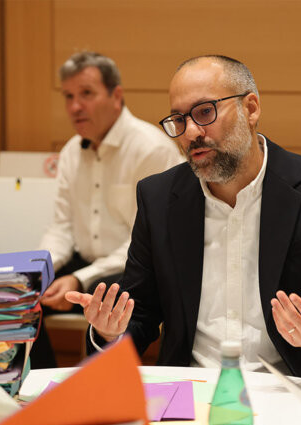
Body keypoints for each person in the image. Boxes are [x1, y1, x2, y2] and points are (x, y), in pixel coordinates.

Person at [67, 55, 301, 394]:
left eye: (205, 112)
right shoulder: (159, 198)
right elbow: (141, 314)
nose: (191, 132)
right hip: (192, 396)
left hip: (297, 393)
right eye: (178, 119)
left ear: (251, 109)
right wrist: (109, 332)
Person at [33, 51, 184, 368]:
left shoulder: (151, 149)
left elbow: (145, 244)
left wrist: (79, 279)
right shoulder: (72, 151)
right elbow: (61, 227)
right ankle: (41, 388)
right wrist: (39, 270)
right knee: (23, 299)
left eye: (86, 93)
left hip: (137, 270)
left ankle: (104, 394)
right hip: (86, 265)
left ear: (117, 96)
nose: (75, 106)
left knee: (106, 300)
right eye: (69, 96)